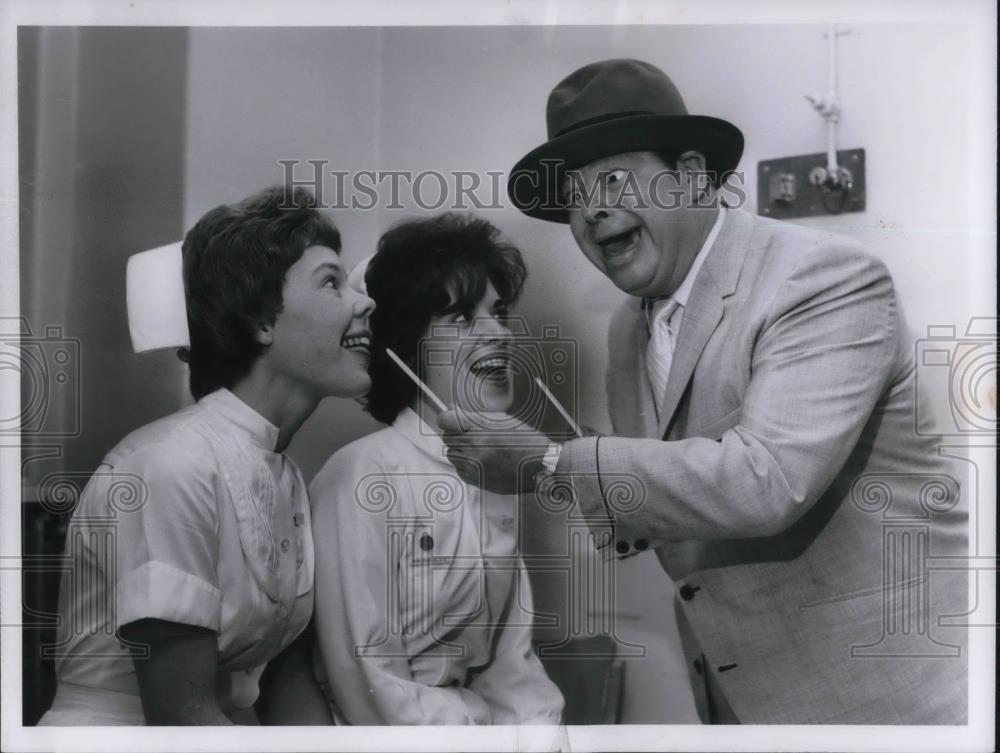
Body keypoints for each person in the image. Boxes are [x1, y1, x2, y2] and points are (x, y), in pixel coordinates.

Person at [438, 59, 968, 724]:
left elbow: (766, 479)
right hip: (740, 700)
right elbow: (668, 499)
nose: (593, 209)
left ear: (691, 175)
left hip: (884, 704)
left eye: (613, 179)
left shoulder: (822, 278)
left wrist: (546, 461)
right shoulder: (627, 332)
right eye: (575, 197)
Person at [38, 186, 375, 725]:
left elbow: (285, 681)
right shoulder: (170, 464)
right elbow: (182, 717)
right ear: (261, 321)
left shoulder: (285, 476)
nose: (364, 301)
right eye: (331, 282)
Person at [309, 213, 564, 725]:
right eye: (465, 318)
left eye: (500, 312)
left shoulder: (496, 476)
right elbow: (370, 684)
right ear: (406, 348)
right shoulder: (361, 477)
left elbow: (512, 668)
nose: (500, 335)